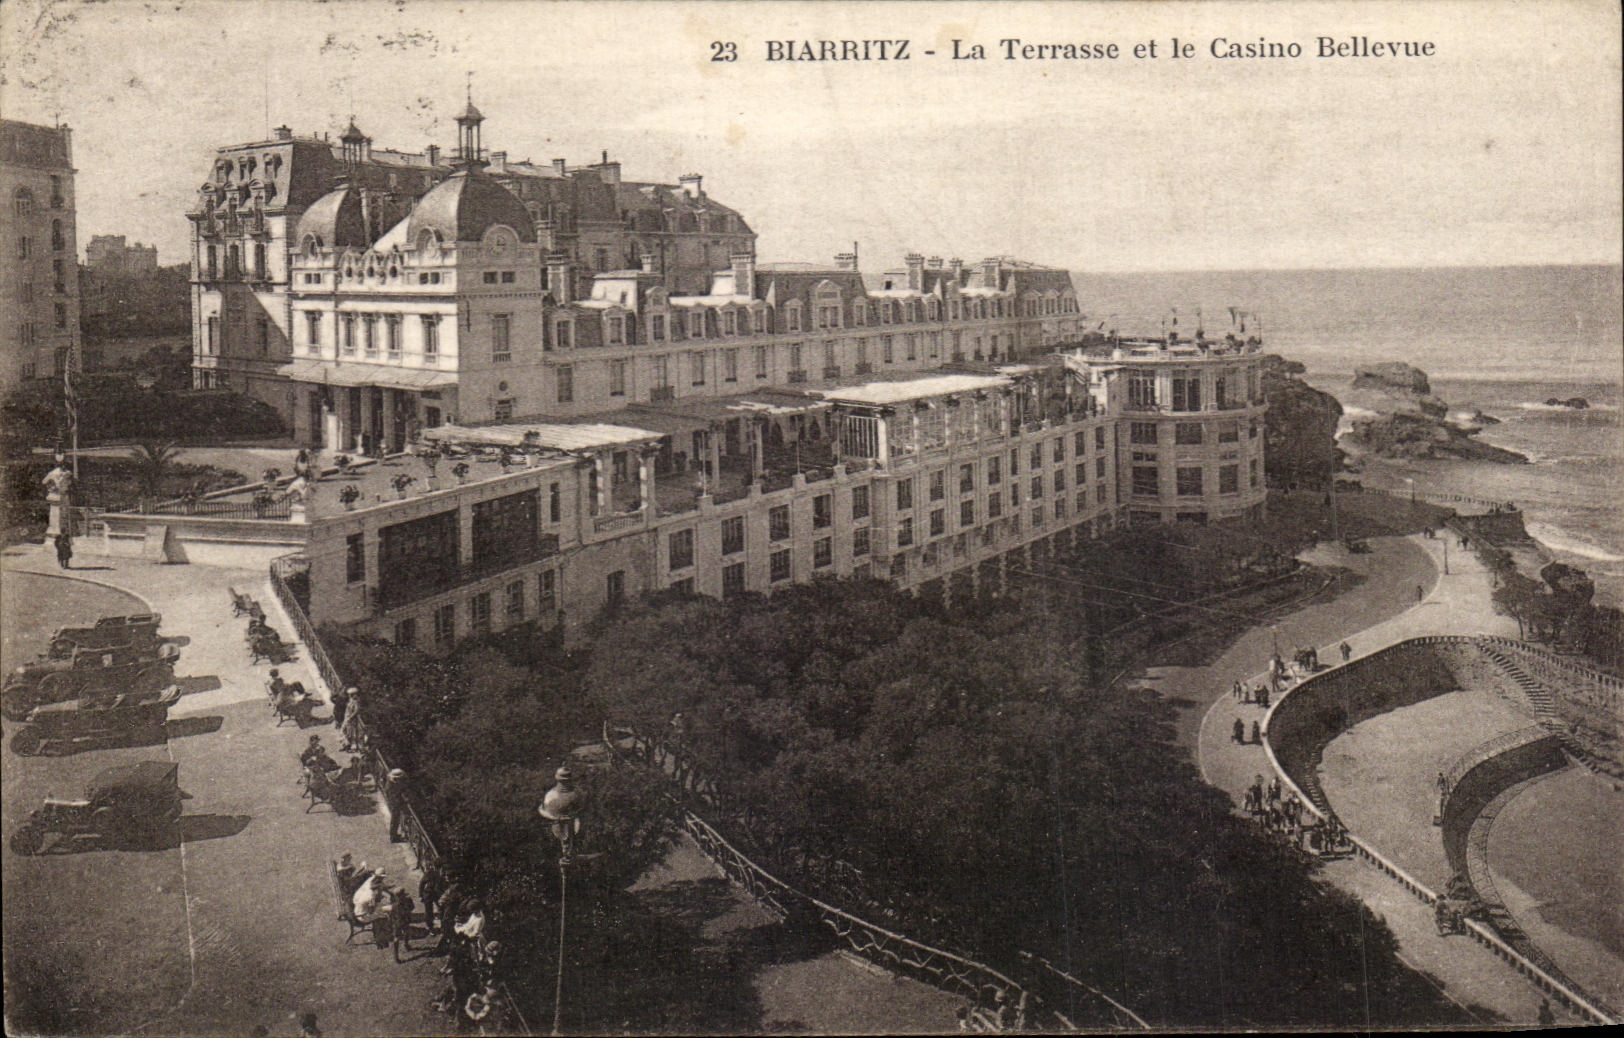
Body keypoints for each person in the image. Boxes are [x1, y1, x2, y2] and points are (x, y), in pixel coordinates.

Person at [385, 768, 408, 843]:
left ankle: (394, 835)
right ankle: (393, 837)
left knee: (395, 820)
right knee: (394, 820)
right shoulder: (392, 785)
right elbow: (394, 796)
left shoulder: (390, 782)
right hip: (394, 804)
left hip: (393, 803)